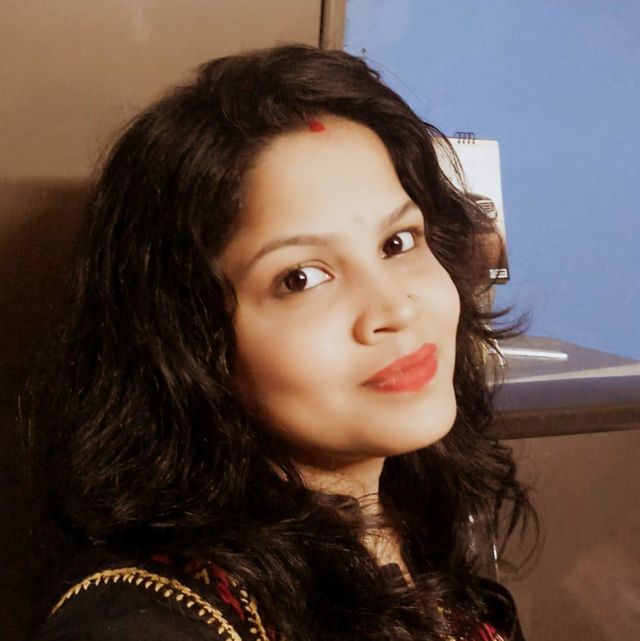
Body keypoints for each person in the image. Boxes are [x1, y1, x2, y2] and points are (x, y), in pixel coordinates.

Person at [28, 44, 536, 641]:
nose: (395, 308)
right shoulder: (147, 620)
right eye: (300, 278)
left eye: (398, 243)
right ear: (191, 341)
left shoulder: (417, 528)